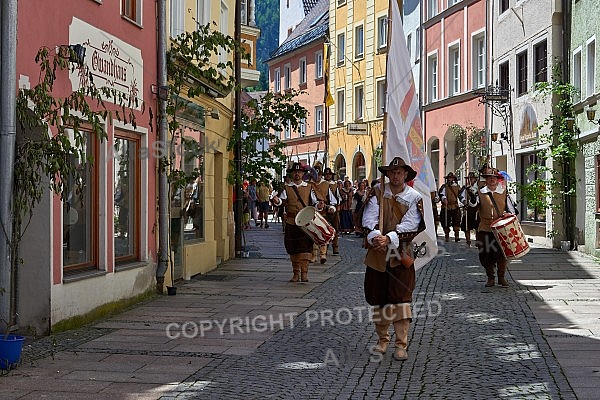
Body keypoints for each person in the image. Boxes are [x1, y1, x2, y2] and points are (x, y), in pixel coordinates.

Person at [362, 157, 425, 361]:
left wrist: (389, 237)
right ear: (387, 174)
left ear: (405, 174)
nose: (396, 175)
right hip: (378, 253)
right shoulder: (378, 193)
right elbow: (368, 218)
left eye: (399, 172)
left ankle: (401, 344)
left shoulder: (414, 197)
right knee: (379, 299)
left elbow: (412, 225)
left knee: (401, 301)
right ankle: (382, 340)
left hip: (400, 254)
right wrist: (374, 236)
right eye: (392, 172)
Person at [271, 162, 329, 282]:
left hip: (305, 223)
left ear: (303, 174)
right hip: (292, 222)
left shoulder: (309, 187)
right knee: (293, 248)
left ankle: (304, 273)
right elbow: (282, 201)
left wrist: (319, 204)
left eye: (299, 172)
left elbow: (314, 203)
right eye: (295, 172)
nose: (297, 174)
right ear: (292, 174)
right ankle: (296, 273)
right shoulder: (287, 187)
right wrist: (277, 201)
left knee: (305, 248)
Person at [476, 167, 517, 288]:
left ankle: (501, 277)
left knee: (502, 253)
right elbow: (473, 205)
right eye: (489, 178)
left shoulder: (503, 192)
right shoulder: (480, 192)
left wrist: (508, 214)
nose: (492, 180)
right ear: (486, 180)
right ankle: (490, 277)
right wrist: (472, 198)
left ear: (497, 179)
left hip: (500, 228)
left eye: (494, 178)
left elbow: (512, 209)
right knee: (485, 253)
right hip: (485, 227)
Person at [459, 172, 480, 247]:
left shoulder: (479, 188)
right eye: (470, 179)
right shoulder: (465, 188)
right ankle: (468, 241)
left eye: (473, 178)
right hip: (468, 209)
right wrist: (464, 201)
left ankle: (478, 241)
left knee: (477, 226)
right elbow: (460, 196)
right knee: (466, 226)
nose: (471, 180)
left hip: (477, 210)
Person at [439, 172, 461, 242]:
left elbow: (461, 195)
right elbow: (441, 194)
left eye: (451, 178)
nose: (450, 179)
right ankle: (447, 235)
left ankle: (457, 235)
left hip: (455, 206)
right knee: (445, 221)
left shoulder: (457, 187)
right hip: (446, 206)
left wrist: (463, 201)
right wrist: (444, 199)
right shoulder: (444, 186)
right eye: (449, 178)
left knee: (456, 221)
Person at [323, 168, 340, 254]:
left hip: (334, 208)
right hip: (324, 208)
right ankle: (325, 247)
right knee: (325, 227)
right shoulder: (322, 184)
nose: (328, 176)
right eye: (326, 174)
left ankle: (335, 246)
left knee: (335, 228)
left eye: (329, 174)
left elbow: (338, 196)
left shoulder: (335, 185)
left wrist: (337, 205)